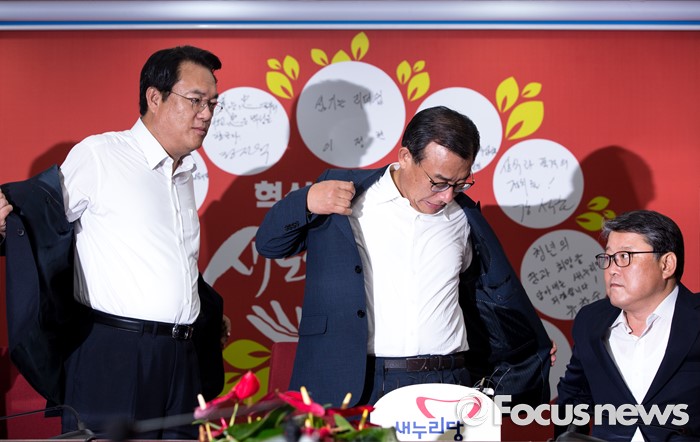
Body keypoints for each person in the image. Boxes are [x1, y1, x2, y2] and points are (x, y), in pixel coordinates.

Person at [255, 105, 553, 409]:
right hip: (357, 382)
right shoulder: (345, 194)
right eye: (438, 182)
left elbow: (487, 298)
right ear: (405, 157)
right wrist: (306, 200)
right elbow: (269, 245)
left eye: (460, 183)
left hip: (447, 381)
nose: (447, 196)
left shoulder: (464, 217)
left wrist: (527, 346)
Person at [0, 45, 230, 439]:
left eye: (212, 103)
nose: (206, 114)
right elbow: (36, 220)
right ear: (154, 98)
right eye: (195, 100)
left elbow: (169, 260)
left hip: (181, 356)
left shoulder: (185, 173)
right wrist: (5, 222)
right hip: (113, 355)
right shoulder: (101, 156)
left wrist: (198, 309)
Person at [556, 210, 699, 441]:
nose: (612, 269)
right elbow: (575, 395)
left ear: (666, 264)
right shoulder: (590, 320)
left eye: (625, 257)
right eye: (608, 257)